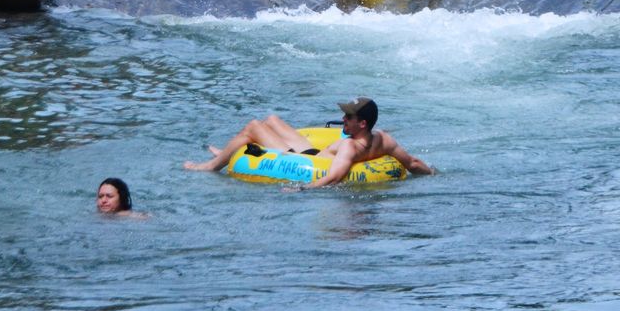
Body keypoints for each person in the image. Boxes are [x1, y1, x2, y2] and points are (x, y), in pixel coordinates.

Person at [184, 97, 435, 187]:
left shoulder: (349, 147)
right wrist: (433, 173)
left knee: (253, 127)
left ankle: (211, 165)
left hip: (307, 160)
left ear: (362, 124)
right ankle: (228, 152)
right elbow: (412, 163)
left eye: (349, 117)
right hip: (317, 151)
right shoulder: (383, 139)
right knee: (271, 119)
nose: (342, 119)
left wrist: (304, 189)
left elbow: (335, 177)